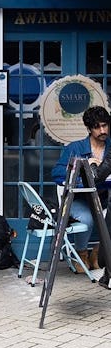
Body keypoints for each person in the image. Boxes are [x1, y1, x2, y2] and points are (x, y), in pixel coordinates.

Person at [52, 105, 111, 272]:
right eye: (97, 127)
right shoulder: (75, 148)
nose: (102, 130)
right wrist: (83, 178)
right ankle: (82, 253)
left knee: (110, 219)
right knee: (88, 218)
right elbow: (56, 173)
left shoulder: (110, 148)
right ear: (89, 129)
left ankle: (100, 253)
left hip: (105, 198)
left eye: (105, 125)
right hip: (80, 200)